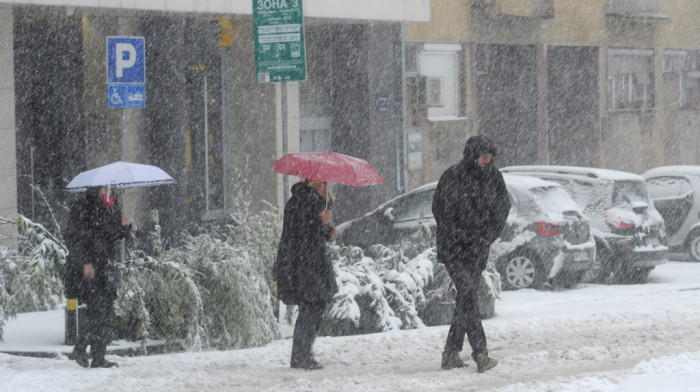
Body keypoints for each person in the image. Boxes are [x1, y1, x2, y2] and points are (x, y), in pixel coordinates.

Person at [431, 135, 511, 373]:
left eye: (490, 157)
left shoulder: (494, 178)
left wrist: (489, 236)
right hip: (454, 248)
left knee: (466, 299)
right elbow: (441, 212)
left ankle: (450, 353)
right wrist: (463, 236)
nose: (488, 160)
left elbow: (503, 207)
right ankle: (481, 354)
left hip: (478, 249)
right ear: (472, 156)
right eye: (483, 156)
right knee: (468, 294)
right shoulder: (452, 177)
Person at [273, 179, 339, 370]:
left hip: (308, 262)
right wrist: (322, 221)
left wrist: (329, 232)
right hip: (303, 263)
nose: (325, 187)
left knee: (313, 306)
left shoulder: (308, 200)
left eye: (327, 183)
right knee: (312, 306)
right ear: (311, 180)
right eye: (321, 183)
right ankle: (301, 356)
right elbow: (303, 229)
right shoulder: (303, 200)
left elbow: (312, 230)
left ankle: (302, 354)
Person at [64, 185, 132, 368]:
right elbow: (73, 237)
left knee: (106, 313)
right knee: (97, 311)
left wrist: (125, 227)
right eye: (109, 187)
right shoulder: (84, 206)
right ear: (100, 187)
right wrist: (85, 262)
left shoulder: (112, 207)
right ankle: (81, 349)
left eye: (113, 188)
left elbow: (115, 237)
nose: (112, 190)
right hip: (90, 268)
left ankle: (98, 356)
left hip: (107, 267)